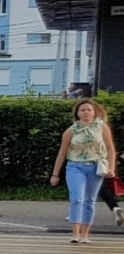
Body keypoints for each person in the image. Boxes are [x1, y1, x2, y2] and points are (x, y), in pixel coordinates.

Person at [50, 99, 118, 244]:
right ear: (77, 113)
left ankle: (86, 234)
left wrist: (111, 168)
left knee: (90, 200)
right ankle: (75, 233)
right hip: (75, 166)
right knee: (77, 198)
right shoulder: (71, 130)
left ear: (94, 112)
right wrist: (55, 174)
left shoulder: (101, 127)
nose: (86, 112)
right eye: (83, 110)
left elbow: (110, 148)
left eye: (89, 110)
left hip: (95, 167)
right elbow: (62, 152)